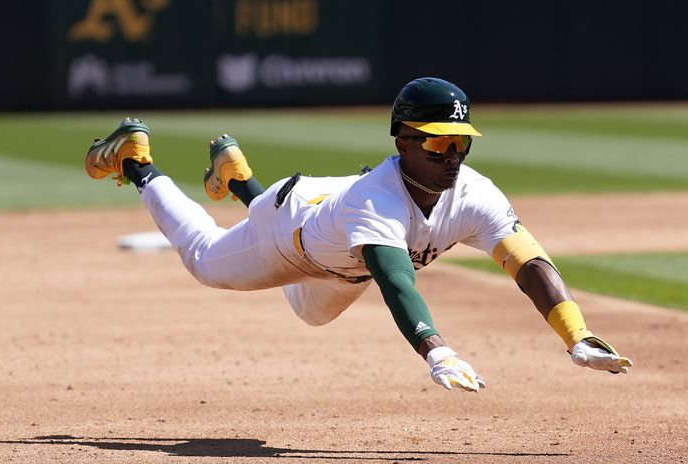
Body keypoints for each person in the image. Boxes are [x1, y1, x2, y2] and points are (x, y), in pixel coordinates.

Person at [84, 77, 632, 393]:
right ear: (405, 141)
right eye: (440, 144)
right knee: (204, 259)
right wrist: (436, 351)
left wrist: (576, 336)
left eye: (462, 143)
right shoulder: (379, 204)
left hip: (336, 243)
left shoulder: (473, 192)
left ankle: (239, 180)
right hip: (290, 234)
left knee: (311, 314)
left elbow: (529, 262)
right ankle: (138, 162)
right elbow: (397, 282)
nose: (454, 157)